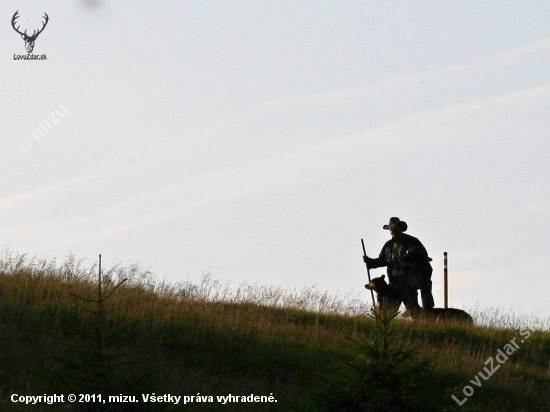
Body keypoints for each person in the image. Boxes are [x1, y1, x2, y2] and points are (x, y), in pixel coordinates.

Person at [363, 217, 434, 313]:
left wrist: (408, 264)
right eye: (391, 229)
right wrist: (370, 261)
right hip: (394, 284)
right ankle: (385, 326)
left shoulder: (413, 242)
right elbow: (382, 260)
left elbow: (423, 259)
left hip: (408, 283)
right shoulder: (388, 245)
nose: (392, 231)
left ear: (401, 228)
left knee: (413, 309)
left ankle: (422, 324)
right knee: (388, 312)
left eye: (394, 228)